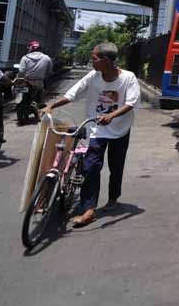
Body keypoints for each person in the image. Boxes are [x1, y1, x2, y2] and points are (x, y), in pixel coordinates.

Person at [41, 42, 140, 227]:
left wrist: (111, 115)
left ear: (107, 60)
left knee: (116, 166)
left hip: (120, 129)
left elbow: (131, 102)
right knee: (91, 166)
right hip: (97, 128)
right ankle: (89, 209)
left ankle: (113, 198)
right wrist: (51, 105)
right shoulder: (93, 76)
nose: (91, 61)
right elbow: (72, 93)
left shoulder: (128, 77)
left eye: (94, 58)